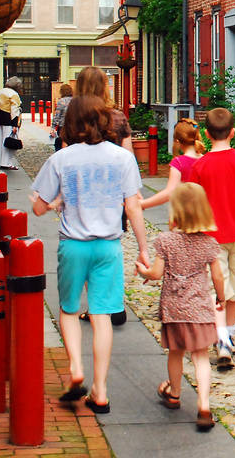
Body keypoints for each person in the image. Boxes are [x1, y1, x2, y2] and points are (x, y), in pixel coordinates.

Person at [30, 95, 149, 414]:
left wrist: (55, 203)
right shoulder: (122, 158)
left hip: (73, 244)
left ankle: (75, 368)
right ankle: (101, 390)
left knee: (69, 310)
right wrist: (143, 248)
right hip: (108, 246)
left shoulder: (62, 159)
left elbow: (39, 207)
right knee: (102, 316)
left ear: (70, 123)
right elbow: (133, 206)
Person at [134, 183, 224, 432]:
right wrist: (221, 297)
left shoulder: (165, 241)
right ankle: (204, 406)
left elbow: (156, 274)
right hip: (199, 309)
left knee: (175, 352)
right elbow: (217, 275)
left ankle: (174, 394)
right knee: (200, 356)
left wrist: (143, 270)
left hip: (173, 309)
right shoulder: (209, 243)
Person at [188, 107, 235, 371]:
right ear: (233, 132)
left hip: (209, 237)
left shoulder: (199, 166)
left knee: (217, 288)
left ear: (207, 134)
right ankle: (228, 334)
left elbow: (194, 205)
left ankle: (222, 338)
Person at [69, 66, 134, 327]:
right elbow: (128, 154)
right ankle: (114, 302)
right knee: (110, 246)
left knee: (85, 248)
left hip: (83, 192)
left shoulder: (74, 116)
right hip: (112, 193)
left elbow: (67, 154)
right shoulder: (117, 116)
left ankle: (96, 305)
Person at [141, 118, 206, 210]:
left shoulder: (178, 163)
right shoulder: (206, 160)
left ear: (177, 141)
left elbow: (169, 192)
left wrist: (143, 204)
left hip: (184, 212)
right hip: (204, 212)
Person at [73, 66, 132, 152]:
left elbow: (65, 151)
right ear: (104, 88)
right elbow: (128, 152)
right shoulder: (118, 117)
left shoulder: (73, 116)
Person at [0, 76, 23, 170]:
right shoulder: (14, 94)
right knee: (8, 141)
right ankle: (6, 162)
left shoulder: (0, 91)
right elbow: (14, 110)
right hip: (9, 120)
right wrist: (15, 124)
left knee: (0, 141)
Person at [50, 83, 74, 151]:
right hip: (74, 126)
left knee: (63, 142)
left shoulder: (61, 101)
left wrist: (53, 127)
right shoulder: (75, 100)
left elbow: (57, 116)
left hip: (63, 126)